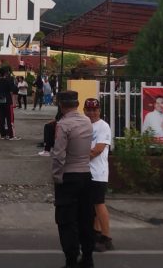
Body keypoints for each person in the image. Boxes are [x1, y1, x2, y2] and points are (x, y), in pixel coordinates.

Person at [52, 91, 95, 268]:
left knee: (66, 221)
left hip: (68, 176)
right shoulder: (87, 121)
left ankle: (71, 260)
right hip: (86, 175)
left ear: (61, 105)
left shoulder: (63, 125)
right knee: (85, 219)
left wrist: (56, 176)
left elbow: (59, 155)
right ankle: (87, 258)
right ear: (77, 104)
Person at [83, 98, 114, 252]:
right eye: (89, 110)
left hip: (98, 173)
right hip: (87, 172)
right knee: (93, 205)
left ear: (99, 111)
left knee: (99, 204)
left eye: (95, 110)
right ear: (84, 110)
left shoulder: (103, 127)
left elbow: (97, 150)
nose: (92, 113)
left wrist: (77, 156)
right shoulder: (85, 125)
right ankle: (95, 233)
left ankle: (106, 237)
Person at [0, 67, 19, 140]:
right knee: (9, 118)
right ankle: (11, 135)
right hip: (7, 101)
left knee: (2, 118)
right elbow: (14, 89)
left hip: (0, 100)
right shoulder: (8, 80)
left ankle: (3, 134)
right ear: (6, 73)